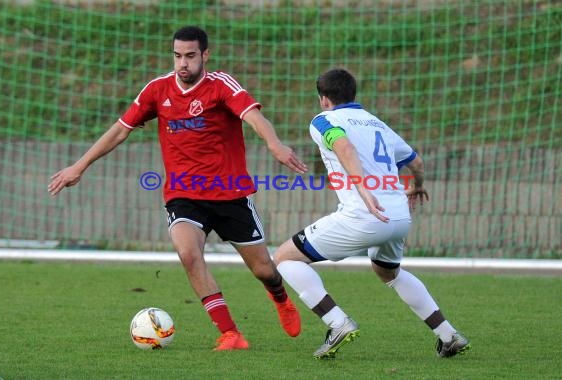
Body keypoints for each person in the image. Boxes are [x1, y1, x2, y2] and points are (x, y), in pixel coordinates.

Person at [48, 26, 308, 351]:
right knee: (188, 253)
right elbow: (119, 130)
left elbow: (254, 117)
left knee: (264, 269)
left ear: (205, 56)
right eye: (177, 56)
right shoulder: (158, 90)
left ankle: (280, 297)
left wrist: (274, 145)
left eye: (189, 56)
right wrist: (79, 165)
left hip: (229, 194)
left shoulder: (220, 85)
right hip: (183, 195)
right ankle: (231, 334)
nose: (182, 63)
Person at [273, 68, 470, 359]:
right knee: (388, 271)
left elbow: (344, 146)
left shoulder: (324, 120)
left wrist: (363, 189)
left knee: (284, 258)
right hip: (399, 217)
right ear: (353, 94)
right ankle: (448, 335)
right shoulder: (377, 124)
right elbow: (415, 161)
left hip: (364, 214)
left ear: (324, 99)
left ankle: (337, 323)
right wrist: (417, 186)